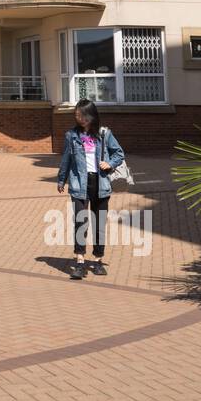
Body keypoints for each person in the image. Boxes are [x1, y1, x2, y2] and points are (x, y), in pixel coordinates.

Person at [56, 99, 123, 280]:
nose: (79, 119)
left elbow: (119, 153)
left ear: (91, 115)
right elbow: (66, 159)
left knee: (99, 223)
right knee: (80, 222)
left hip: (100, 183)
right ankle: (79, 262)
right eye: (77, 115)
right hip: (79, 183)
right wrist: (61, 179)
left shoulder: (104, 133)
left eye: (82, 115)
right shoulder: (71, 135)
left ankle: (98, 260)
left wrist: (109, 163)